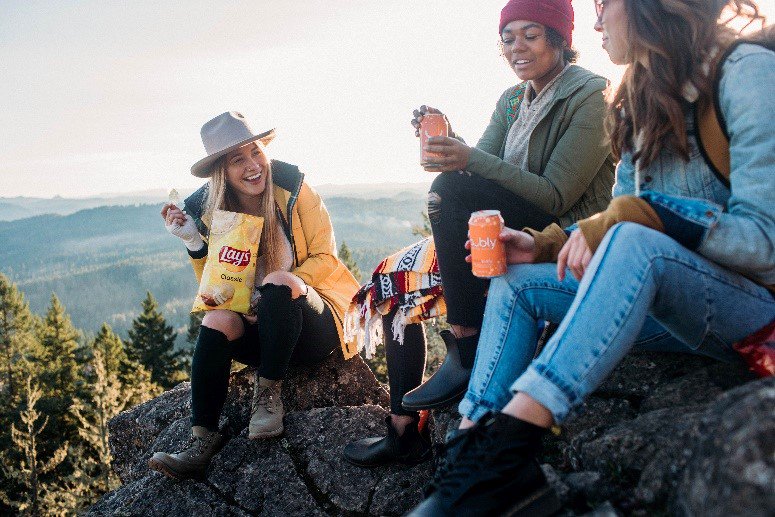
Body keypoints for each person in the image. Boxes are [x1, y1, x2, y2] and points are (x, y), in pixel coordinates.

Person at [409, 0, 774, 515]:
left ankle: (510, 444)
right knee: (517, 281)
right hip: (672, 303)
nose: (597, 20)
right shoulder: (635, 99)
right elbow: (616, 219)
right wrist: (544, 245)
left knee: (634, 238)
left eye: (605, 5)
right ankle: (470, 456)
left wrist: (649, 215)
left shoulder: (747, 73)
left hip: (755, 315)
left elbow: (765, 242)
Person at [343, 0, 615, 468]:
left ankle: (466, 344)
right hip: (507, 216)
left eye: (530, 34)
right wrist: (448, 141)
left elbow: (554, 195)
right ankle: (402, 427)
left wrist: (464, 160)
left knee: (447, 189)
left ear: (559, 38)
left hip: (558, 229)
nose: (516, 47)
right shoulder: (513, 100)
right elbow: (482, 167)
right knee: (393, 280)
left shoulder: (590, 94)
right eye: (508, 38)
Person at [148, 111, 360, 480]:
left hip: (311, 323)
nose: (253, 165)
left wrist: (275, 288)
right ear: (222, 172)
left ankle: (269, 396)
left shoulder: (294, 187)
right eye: (238, 159)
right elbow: (219, 291)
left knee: (280, 282)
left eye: (256, 152)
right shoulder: (210, 211)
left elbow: (326, 258)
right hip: (261, 332)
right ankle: (201, 440)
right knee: (216, 319)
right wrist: (194, 243)